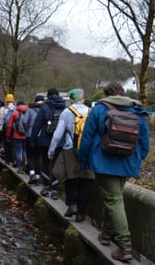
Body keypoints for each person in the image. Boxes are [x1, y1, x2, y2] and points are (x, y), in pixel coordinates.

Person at [78, 82, 149, 263]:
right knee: (114, 197)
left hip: (103, 161)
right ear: (123, 93)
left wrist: (83, 160)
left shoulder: (100, 109)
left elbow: (87, 136)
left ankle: (125, 246)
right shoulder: (137, 110)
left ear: (106, 94)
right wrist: (138, 157)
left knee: (113, 199)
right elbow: (145, 142)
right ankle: (106, 234)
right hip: (127, 162)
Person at [48, 88, 95, 222]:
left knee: (71, 178)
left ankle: (72, 204)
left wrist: (51, 151)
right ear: (83, 98)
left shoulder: (67, 112)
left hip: (70, 149)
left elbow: (57, 135)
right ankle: (81, 212)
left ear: (71, 99)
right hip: (88, 151)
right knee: (86, 180)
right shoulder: (91, 112)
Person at [30, 88, 65, 198]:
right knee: (55, 164)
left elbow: (37, 125)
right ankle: (55, 190)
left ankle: (45, 187)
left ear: (48, 96)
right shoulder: (65, 108)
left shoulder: (45, 107)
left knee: (45, 163)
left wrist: (33, 139)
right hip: (59, 142)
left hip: (45, 140)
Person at [22, 95, 45, 183]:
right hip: (40, 135)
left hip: (30, 135)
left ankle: (32, 174)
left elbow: (24, 121)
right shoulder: (44, 110)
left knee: (30, 155)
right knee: (38, 156)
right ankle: (38, 176)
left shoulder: (29, 110)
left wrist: (27, 129)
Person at [0, 94, 16, 164]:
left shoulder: (3, 109)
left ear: (6, 100)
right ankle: (14, 159)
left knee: (6, 144)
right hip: (14, 129)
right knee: (13, 144)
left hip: (6, 128)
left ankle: (8, 160)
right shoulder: (16, 108)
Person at [5, 100, 28, 173]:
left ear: (17, 105)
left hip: (17, 136)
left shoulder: (14, 112)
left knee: (18, 152)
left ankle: (20, 168)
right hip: (26, 135)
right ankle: (26, 166)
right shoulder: (28, 111)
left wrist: (8, 135)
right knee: (25, 151)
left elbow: (9, 125)